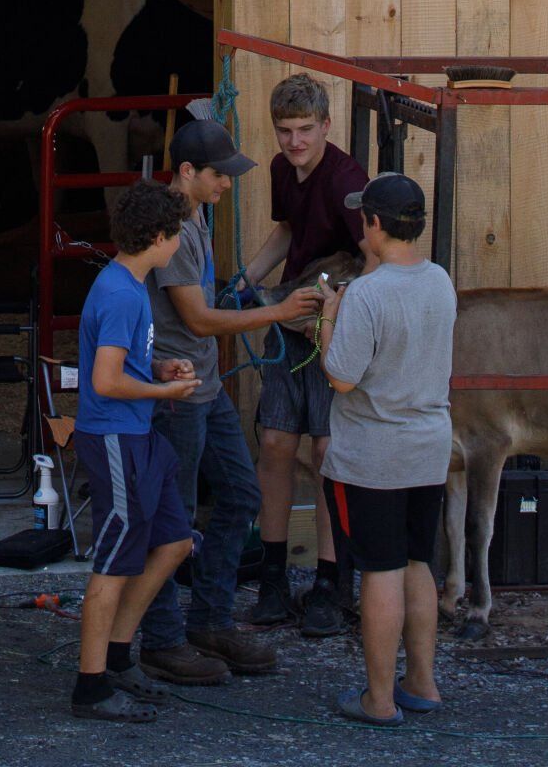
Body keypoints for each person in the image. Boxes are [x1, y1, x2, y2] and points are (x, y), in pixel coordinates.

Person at [133, 120, 322, 684]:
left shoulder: (193, 216)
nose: (227, 185)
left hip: (204, 387)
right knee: (176, 515)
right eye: (220, 175)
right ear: (188, 172)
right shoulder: (170, 224)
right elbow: (196, 319)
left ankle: (208, 619)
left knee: (241, 496)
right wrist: (278, 312)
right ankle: (163, 638)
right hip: (180, 390)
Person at [317, 173, 457, 725]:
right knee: (418, 561)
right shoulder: (441, 281)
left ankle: (378, 699)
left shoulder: (366, 294)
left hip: (373, 454)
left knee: (380, 569)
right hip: (428, 447)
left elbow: (342, 378)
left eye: (363, 218)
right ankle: (421, 681)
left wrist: (329, 318)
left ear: (374, 224)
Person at [68, 180, 197, 726]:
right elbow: (106, 380)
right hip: (117, 436)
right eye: (178, 236)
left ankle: (118, 656)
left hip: (136, 435)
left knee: (173, 542)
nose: (179, 245)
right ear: (161, 238)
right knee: (114, 556)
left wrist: (158, 369)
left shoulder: (124, 283)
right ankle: (91, 686)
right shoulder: (123, 293)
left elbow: (120, 367)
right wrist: (164, 391)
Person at [240, 72, 365, 632]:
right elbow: (289, 231)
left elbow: (374, 259)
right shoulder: (280, 170)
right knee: (273, 443)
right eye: (285, 131)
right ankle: (271, 580)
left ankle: (330, 585)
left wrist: (336, 320)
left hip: (329, 323)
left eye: (306, 130)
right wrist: (246, 279)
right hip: (288, 313)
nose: (295, 142)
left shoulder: (346, 179)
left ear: (327, 126)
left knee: (326, 453)